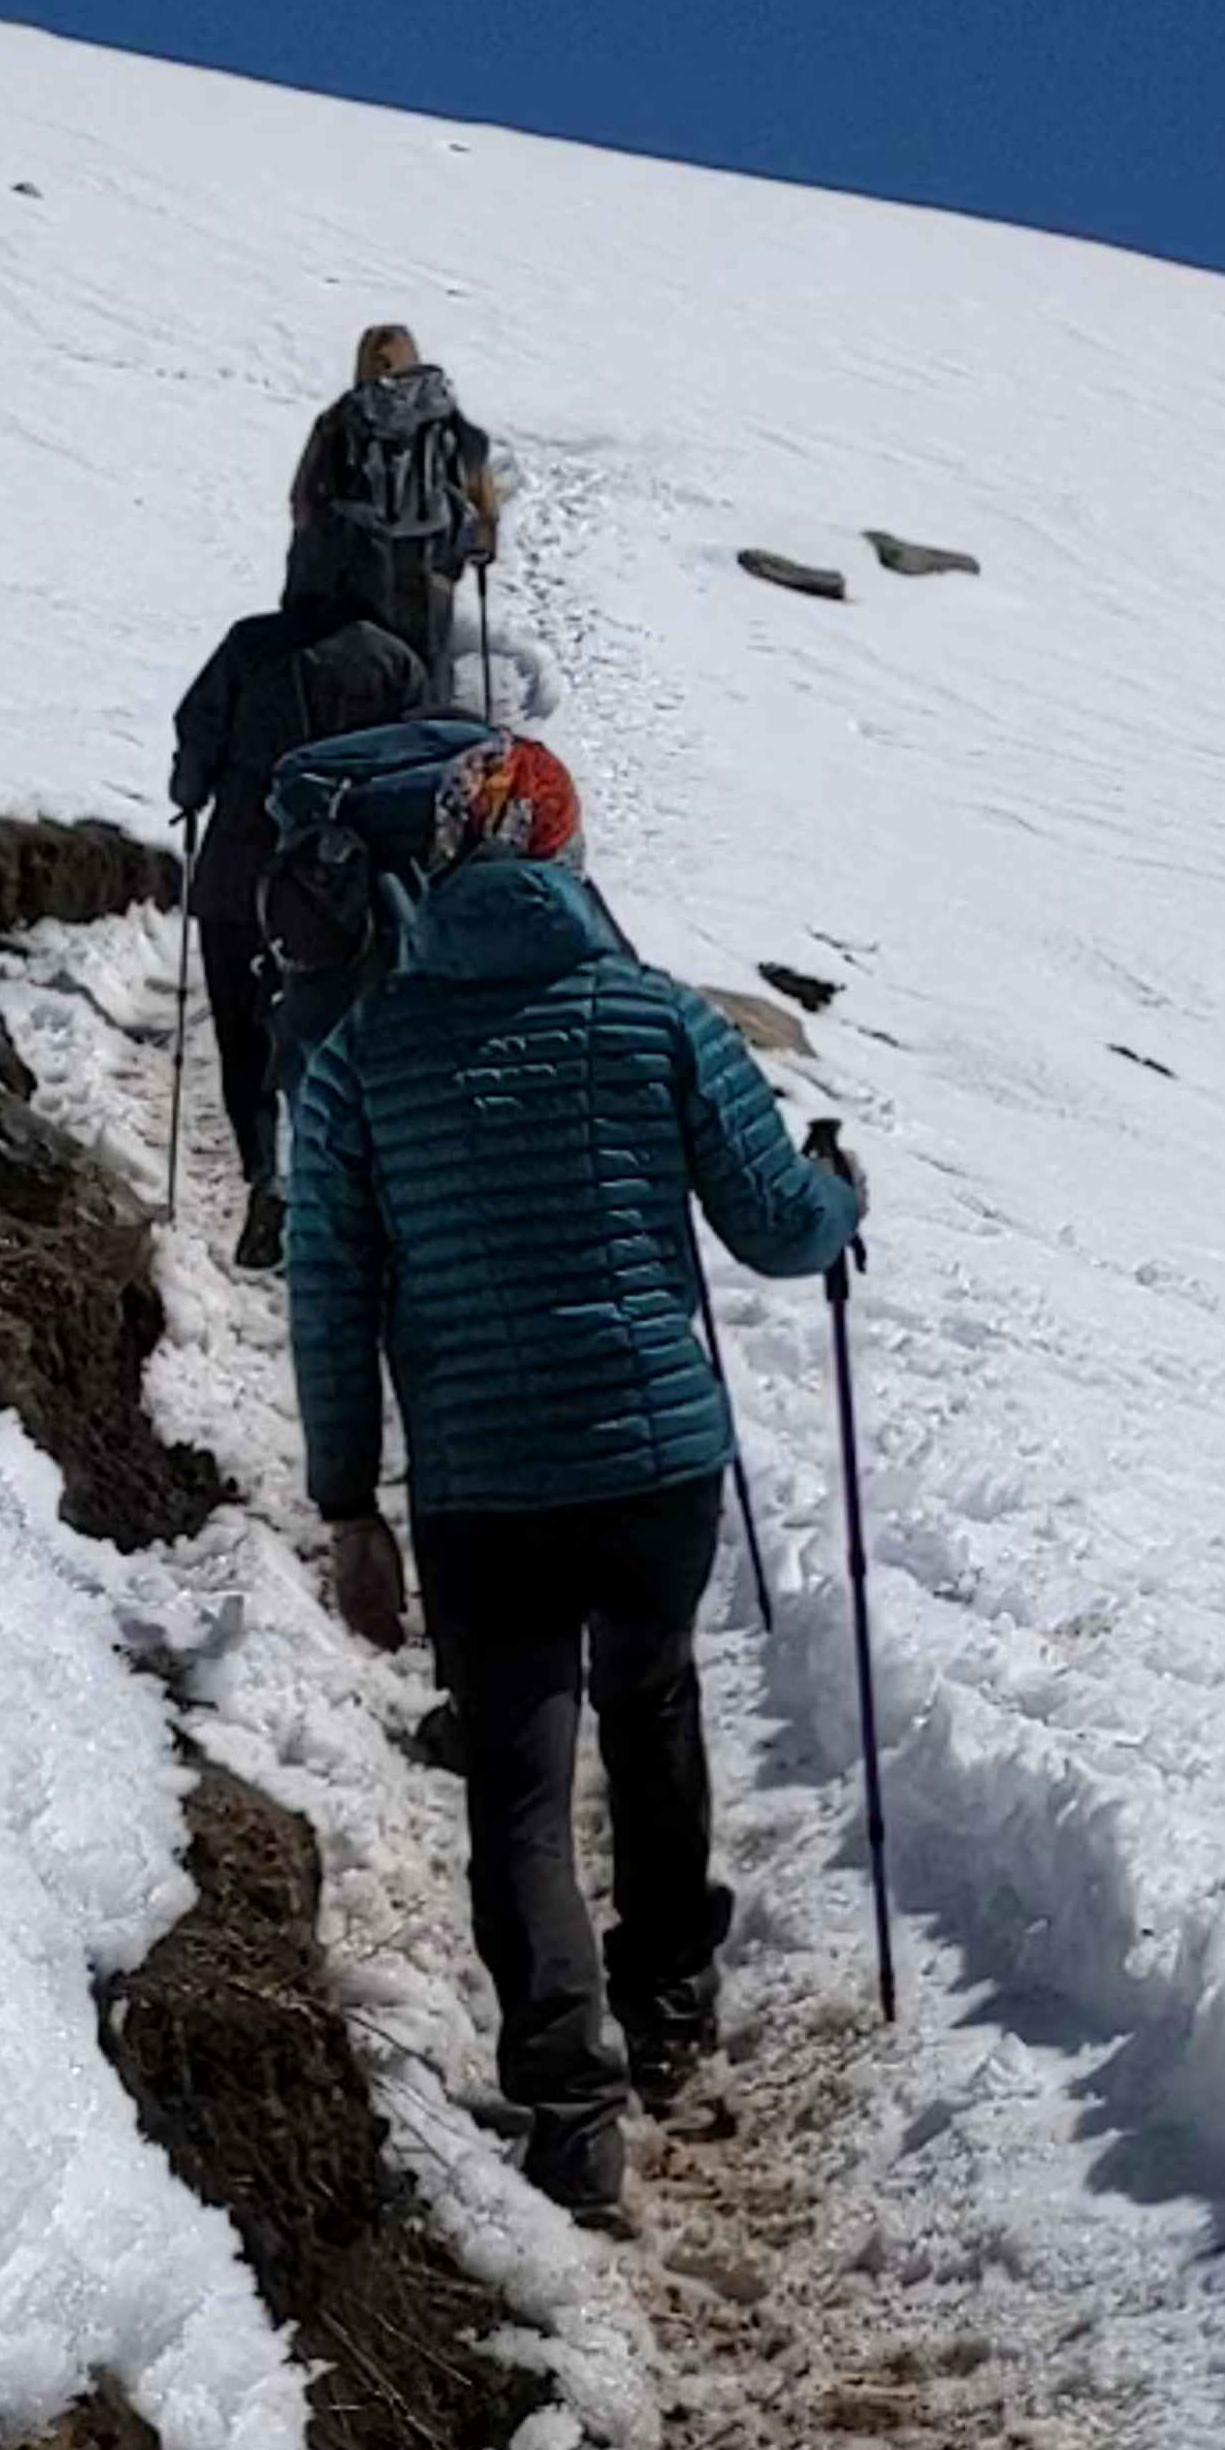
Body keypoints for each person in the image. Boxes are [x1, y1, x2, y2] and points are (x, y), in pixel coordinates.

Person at [286, 733, 860, 2223]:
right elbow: (781, 1226)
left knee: (519, 1786)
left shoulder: (365, 1055)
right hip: (655, 1454)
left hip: (482, 1482)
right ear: (565, 854)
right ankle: (672, 1995)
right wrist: (843, 1186)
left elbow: (330, 1289)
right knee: (654, 1696)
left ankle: (570, 2110)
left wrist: (348, 1501)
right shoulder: (657, 1019)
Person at [166, 579, 431, 1259]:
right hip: (343, 893)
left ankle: (265, 1176)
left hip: (238, 870)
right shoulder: (394, 661)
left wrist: (190, 788)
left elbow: (198, 729)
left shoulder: (251, 644)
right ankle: (339, 1193)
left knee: (241, 1035)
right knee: (332, 1041)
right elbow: (419, 770)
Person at [284, 323, 499, 692]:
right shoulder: (441, 413)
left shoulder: (342, 418)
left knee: (358, 661)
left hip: (355, 565)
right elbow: (478, 476)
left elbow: (302, 501)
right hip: (431, 565)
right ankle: (431, 725)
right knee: (426, 660)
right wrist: (486, 531)